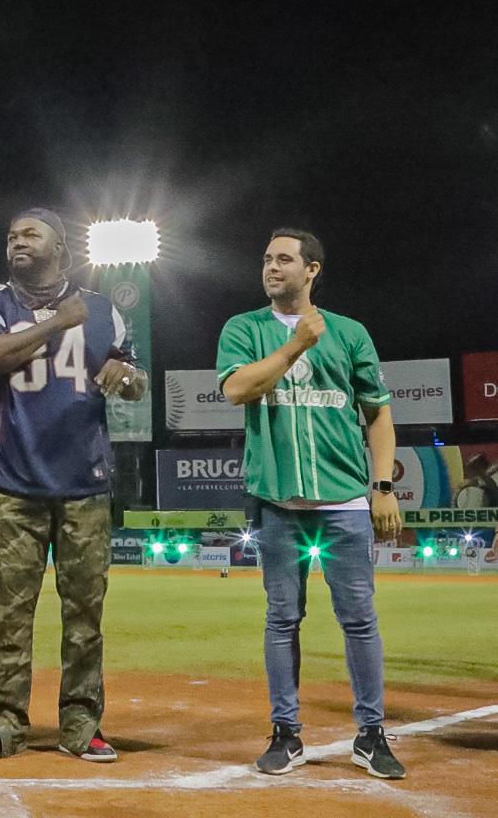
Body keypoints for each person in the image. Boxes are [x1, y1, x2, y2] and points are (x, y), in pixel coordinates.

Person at [217, 228, 406, 780]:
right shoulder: (244, 328)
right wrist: (295, 344)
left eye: (284, 259)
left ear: (312, 270)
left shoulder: (349, 333)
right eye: (267, 259)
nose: (271, 267)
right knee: (282, 619)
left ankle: (371, 734)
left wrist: (382, 487)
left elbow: (378, 414)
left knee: (360, 620)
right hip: (278, 503)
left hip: (346, 501)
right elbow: (236, 390)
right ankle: (286, 733)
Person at [0, 209, 147, 762]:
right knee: (11, 613)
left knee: (85, 614)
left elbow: (133, 380)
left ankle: (81, 726)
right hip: (13, 482)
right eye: (11, 234)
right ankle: (4, 725)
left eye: (29, 233)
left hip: (85, 484)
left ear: (59, 246)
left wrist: (127, 378)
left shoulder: (104, 309)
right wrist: (56, 323)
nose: (16, 240)